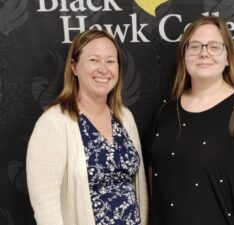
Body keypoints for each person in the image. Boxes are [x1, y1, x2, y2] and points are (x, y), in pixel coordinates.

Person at [148, 16, 234, 225]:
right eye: (195, 46)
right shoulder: (167, 111)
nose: (204, 53)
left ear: (227, 58)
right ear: (184, 56)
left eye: (214, 46)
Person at [26, 29, 148, 225]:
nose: (103, 69)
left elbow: (137, 189)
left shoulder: (124, 117)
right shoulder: (54, 123)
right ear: (74, 67)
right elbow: (45, 205)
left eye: (110, 61)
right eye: (94, 60)